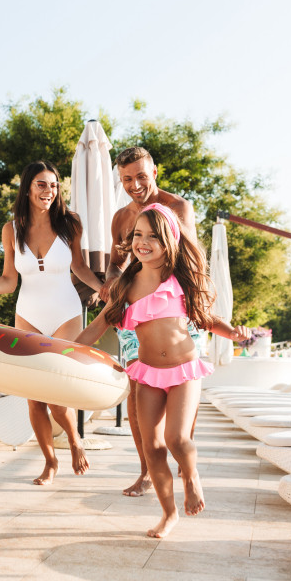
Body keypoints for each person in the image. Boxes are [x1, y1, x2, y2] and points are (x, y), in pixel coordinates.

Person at [76, 203, 249, 538]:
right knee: (151, 446)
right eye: (138, 235)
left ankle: (192, 474)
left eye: (153, 235)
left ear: (170, 239)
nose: (143, 241)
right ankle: (169, 514)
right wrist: (65, 350)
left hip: (185, 370)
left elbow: (206, 318)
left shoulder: (181, 281)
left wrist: (232, 332)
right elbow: (97, 326)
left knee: (176, 438)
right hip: (148, 373)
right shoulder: (126, 284)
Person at [0, 160, 104, 485]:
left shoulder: (71, 223)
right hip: (28, 315)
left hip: (66, 313)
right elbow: (8, 281)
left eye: (53, 185)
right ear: (27, 187)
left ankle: (75, 440)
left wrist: (105, 289)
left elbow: (80, 268)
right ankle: (50, 461)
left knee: (56, 391)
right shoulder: (12, 229)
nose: (48, 191)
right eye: (41, 184)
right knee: (34, 397)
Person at [101, 146, 201, 498]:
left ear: (154, 172)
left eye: (141, 176)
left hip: (175, 311)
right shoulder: (120, 219)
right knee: (137, 393)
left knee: (182, 387)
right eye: (127, 179)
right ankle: (147, 470)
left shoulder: (177, 208)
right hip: (135, 313)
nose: (135, 185)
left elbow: (189, 259)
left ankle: (184, 459)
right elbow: (114, 264)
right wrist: (113, 283)